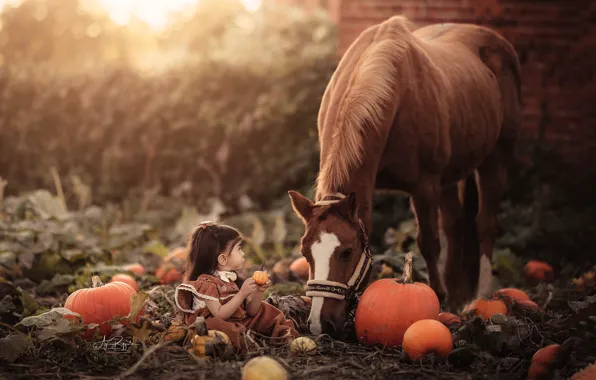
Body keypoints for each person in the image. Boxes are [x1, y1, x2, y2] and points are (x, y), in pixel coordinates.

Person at [174, 221, 299, 352]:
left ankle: (284, 336)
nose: (243, 253)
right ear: (222, 259)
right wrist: (242, 294)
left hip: (235, 320)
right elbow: (220, 315)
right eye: (239, 249)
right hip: (216, 323)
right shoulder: (206, 283)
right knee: (220, 327)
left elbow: (251, 312)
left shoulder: (230, 279)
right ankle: (243, 341)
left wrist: (258, 292)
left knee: (265, 310)